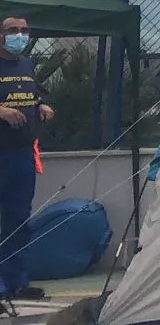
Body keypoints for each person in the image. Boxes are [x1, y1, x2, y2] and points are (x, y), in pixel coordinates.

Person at [0, 18, 50, 302]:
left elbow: (34, 94)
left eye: (24, 30)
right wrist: (1, 111)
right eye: (12, 31)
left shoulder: (27, 65)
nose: (19, 35)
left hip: (22, 154)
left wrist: (41, 105)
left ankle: (17, 282)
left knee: (18, 219)